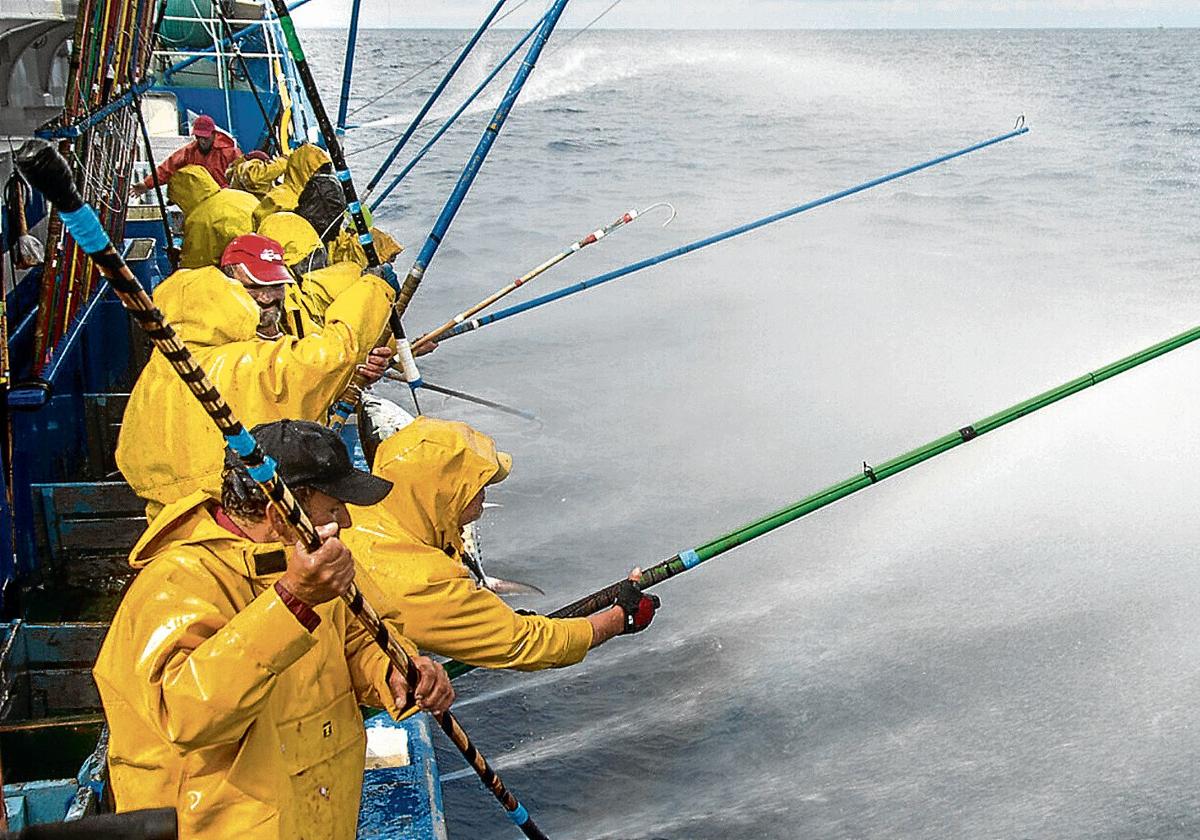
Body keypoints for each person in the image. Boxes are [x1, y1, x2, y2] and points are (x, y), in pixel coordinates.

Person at [94, 419, 454, 839]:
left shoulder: (313, 562)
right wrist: (292, 601)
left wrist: (397, 670)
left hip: (316, 813)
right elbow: (187, 715)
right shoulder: (175, 584)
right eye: (334, 507)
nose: (347, 521)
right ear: (280, 514)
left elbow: (361, 636)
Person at [345, 417, 661, 671]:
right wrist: (620, 618)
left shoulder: (360, 514)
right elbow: (524, 644)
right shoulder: (418, 581)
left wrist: (488, 619)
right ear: (442, 495)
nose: (485, 493)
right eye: (478, 485)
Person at [116, 234, 395, 519]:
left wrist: (352, 375)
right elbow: (331, 356)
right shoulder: (242, 363)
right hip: (243, 513)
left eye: (275, 285)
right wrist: (374, 289)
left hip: (172, 519)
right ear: (230, 294)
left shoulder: (161, 367)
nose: (267, 296)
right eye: (254, 287)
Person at [295, 173, 403, 268]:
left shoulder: (329, 234)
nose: (337, 231)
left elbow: (344, 251)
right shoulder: (308, 241)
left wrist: (384, 250)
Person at [167, 164, 258, 269]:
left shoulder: (198, 220)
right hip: (266, 255)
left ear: (182, 197)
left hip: (241, 268)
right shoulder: (241, 196)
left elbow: (196, 265)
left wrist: (179, 259)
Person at [131, 114, 241, 196]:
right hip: (201, 201)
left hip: (227, 198)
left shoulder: (230, 153)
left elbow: (243, 176)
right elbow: (167, 168)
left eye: (205, 138)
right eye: (198, 137)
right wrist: (147, 184)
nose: (202, 141)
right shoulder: (189, 152)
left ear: (213, 134)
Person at [252, 142, 331, 227]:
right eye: (317, 173)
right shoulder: (279, 199)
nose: (321, 179)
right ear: (303, 170)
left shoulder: (314, 201)